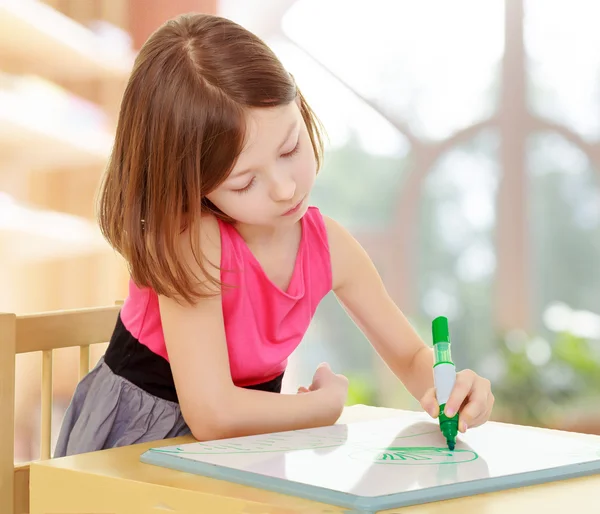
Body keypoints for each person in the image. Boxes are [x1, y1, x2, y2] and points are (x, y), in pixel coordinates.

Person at [54, 12, 494, 458]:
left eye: (290, 148)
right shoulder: (193, 241)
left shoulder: (330, 247)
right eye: (245, 182)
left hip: (245, 448)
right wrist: (319, 408)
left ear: (300, 111)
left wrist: (453, 391)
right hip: (139, 447)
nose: (286, 189)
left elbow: (412, 358)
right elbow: (213, 415)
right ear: (192, 185)